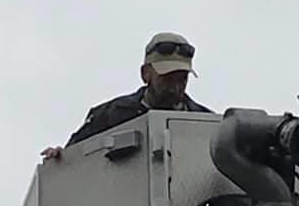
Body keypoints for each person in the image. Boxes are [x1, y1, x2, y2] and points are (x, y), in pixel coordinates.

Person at [42, 31, 210, 158]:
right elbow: (74, 159)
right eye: (167, 78)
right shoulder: (111, 115)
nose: (175, 87)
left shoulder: (207, 125)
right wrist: (59, 159)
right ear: (145, 74)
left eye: (182, 79)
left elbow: (226, 194)